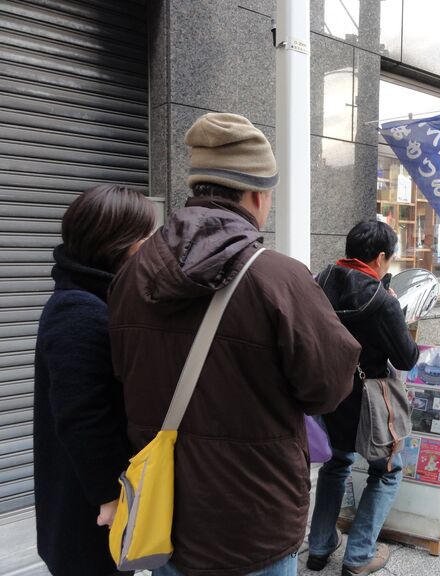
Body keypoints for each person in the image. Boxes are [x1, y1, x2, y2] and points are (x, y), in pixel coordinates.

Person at [108, 112, 360, 576]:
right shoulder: (278, 278)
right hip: (255, 526)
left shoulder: (131, 275)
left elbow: (121, 375)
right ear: (257, 195)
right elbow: (327, 388)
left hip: (165, 521)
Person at [34, 184, 156, 576]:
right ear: (122, 243)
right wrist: (109, 496)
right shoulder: (78, 310)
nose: (151, 248)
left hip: (86, 508)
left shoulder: (92, 298)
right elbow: (81, 416)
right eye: (146, 238)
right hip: (88, 514)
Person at [309, 220, 419, 576]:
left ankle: (320, 546)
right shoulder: (382, 301)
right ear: (381, 257)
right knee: (387, 471)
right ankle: (358, 557)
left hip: (330, 394)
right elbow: (405, 358)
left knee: (336, 464)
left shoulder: (320, 281)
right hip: (370, 399)